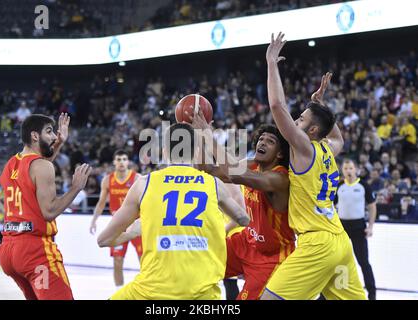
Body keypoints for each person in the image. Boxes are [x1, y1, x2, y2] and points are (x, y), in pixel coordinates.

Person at [260, 32, 366, 300]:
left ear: (313, 130)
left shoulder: (304, 148)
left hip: (316, 243)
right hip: (340, 242)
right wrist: (320, 104)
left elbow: (276, 105)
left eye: (302, 119)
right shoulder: (329, 148)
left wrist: (272, 64)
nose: (296, 121)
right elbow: (337, 135)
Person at [97, 122, 250, 300]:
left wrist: (133, 233)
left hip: (150, 292)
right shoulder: (214, 184)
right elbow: (243, 218)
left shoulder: (143, 184)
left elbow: (103, 240)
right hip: (202, 295)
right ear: (195, 151)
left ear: (164, 150)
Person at [190, 112, 295, 300]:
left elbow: (233, 174)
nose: (262, 142)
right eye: (261, 139)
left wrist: (209, 135)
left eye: (270, 141)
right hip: (246, 242)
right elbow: (206, 170)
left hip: (272, 257)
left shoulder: (280, 178)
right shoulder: (253, 164)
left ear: (279, 153)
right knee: (196, 267)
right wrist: (199, 137)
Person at [0, 113, 92, 300]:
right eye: (49, 132)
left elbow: (39, 167)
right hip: (34, 251)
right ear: (34, 135)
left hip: (9, 251)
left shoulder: (11, 164)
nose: (54, 136)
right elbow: (49, 212)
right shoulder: (41, 166)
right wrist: (75, 188)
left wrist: (60, 143)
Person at [89, 150, 142, 287]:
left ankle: (146, 291)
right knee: (117, 260)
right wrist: (94, 220)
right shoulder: (108, 180)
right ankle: (119, 291)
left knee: (144, 260)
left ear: (128, 161)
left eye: (124, 159)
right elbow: (101, 202)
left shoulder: (137, 178)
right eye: (118, 159)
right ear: (114, 162)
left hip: (136, 224)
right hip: (118, 225)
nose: (122, 162)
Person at [335, 159, 377, 300]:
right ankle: (328, 294)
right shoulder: (339, 186)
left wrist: (370, 227)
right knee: (334, 261)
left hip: (359, 228)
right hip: (342, 229)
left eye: (351, 168)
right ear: (342, 170)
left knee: (363, 262)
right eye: (346, 168)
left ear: (356, 169)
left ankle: (372, 294)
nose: (348, 171)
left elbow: (372, 207)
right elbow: (329, 205)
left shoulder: (363, 185)